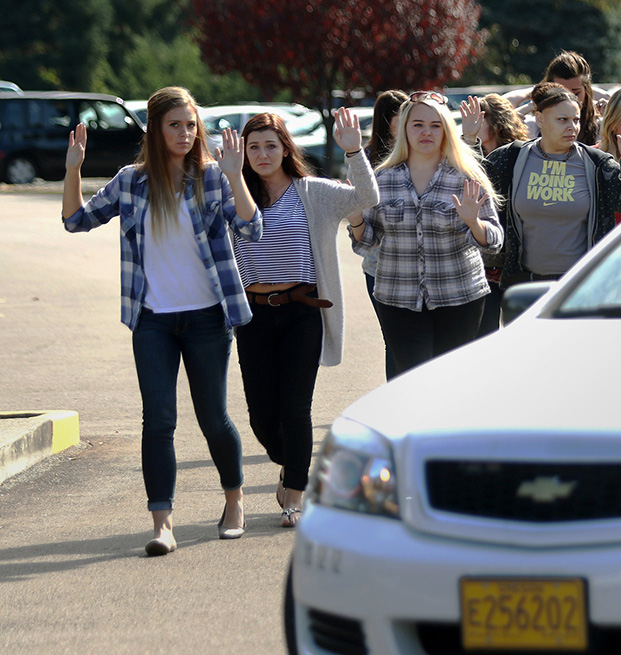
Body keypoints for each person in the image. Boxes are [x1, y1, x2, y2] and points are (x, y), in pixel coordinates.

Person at [61, 86, 261, 556]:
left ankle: (234, 502)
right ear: (155, 128)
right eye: (175, 124)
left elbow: (251, 227)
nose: (186, 133)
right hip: (152, 319)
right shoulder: (131, 181)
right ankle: (163, 524)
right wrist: (73, 168)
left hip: (209, 318)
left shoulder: (212, 178)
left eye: (191, 125)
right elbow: (75, 220)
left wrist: (236, 178)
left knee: (214, 418)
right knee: (159, 421)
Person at [234, 109, 378, 527]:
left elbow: (366, 197)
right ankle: (292, 463)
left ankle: (295, 494)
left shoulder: (312, 192)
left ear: (285, 149)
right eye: (254, 147)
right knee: (262, 416)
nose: (262, 154)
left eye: (271, 146)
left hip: (303, 312)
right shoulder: (234, 194)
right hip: (253, 315)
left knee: (296, 408)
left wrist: (352, 150)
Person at [351, 91, 503, 376]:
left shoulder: (466, 177)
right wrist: (357, 220)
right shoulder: (383, 179)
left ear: (446, 131)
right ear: (403, 129)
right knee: (413, 378)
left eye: (435, 125)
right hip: (398, 299)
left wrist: (474, 223)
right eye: (418, 124)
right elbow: (367, 243)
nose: (426, 132)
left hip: (459, 298)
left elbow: (494, 240)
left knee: (448, 381)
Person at [485, 82, 621, 290]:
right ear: (540, 119)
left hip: (580, 286)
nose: (572, 127)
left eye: (576, 120)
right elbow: (471, 183)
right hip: (525, 284)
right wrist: (470, 139)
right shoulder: (511, 157)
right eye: (562, 120)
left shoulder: (597, 163)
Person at [460, 94, 530, 335]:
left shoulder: (521, 155)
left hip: (516, 261)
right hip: (481, 262)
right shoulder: (465, 155)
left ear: (497, 124)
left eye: (478, 118)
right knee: (482, 335)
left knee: (518, 335)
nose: (471, 123)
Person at [359, 90, 408, 379]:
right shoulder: (367, 158)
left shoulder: (416, 150)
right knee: (393, 339)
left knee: (408, 339)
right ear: (387, 121)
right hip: (378, 263)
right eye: (401, 116)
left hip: (411, 261)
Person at [504, 51, 604, 145]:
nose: (568, 100)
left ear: (587, 91)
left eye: (576, 93)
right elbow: (501, 107)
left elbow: (612, 97)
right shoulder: (534, 126)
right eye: (560, 93)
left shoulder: (600, 126)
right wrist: (536, 93)